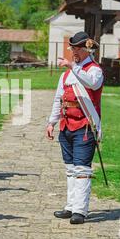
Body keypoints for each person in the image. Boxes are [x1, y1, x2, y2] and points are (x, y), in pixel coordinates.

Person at [46, 31, 104, 225]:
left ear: (87, 49)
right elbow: (58, 99)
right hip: (66, 125)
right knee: (70, 169)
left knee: (81, 169)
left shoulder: (94, 70)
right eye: (73, 48)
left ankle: (80, 210)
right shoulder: (67, 75)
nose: (74, 52)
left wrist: (72, 66)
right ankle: (71, 206)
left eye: (78, 48)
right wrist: (51, 122)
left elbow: (92, 84)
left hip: (85, 126)